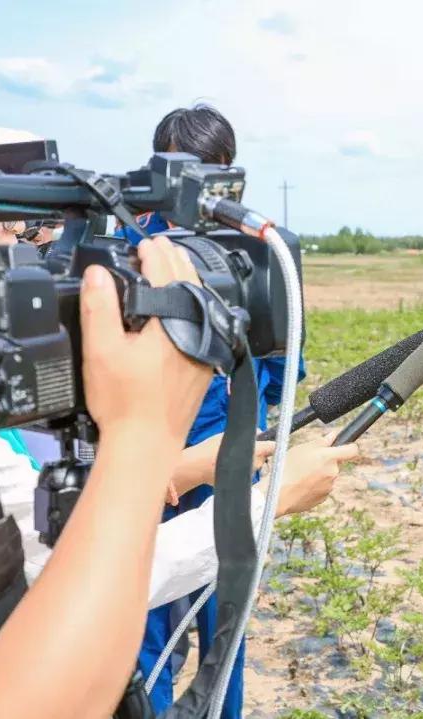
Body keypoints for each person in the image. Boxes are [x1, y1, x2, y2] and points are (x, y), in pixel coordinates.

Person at [0, 236, 213, 717]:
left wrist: (179, 464)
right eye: (0, 220)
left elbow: (36, 481)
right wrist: (259, 504)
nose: (19, 240)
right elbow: (66, 557)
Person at [125, 103, 307, 717]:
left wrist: (262, 406)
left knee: (224, 620)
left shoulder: (258, 246)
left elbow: (283, 350)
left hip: (225, 458)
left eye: (213, 171)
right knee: (139, 614)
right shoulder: (129, 244)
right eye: (183, 170)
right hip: (143, 460)